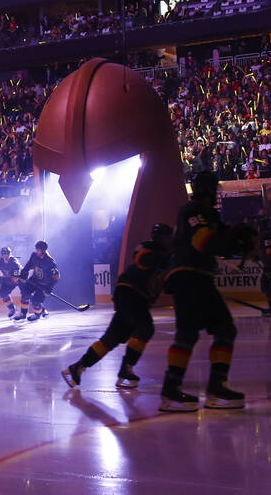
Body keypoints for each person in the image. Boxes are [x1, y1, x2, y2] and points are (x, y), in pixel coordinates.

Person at [159, 172, 244, 412]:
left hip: (194, 276)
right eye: (214, 188)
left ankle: (175, 390)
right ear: (208, 189)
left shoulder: (205, 213)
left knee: (195, 332)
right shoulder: (195, 210)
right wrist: (234, 242)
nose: (216, 192)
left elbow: (217, 238)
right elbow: (203, 241)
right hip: (189, 275)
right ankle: (205, 389)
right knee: (218, 329)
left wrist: (234, 238)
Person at [62, 223, 173, 389]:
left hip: (131, 297)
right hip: (131, 295)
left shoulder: (166, 257)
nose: (164, 240)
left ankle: (78, 367)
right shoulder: (149, 249)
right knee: (145, 328)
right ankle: (126, 368)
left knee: (111, 339)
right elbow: (141, 256)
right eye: (164, 236)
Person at [15, 240, 60, 322]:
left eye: (38, 250)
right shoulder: (34, 256)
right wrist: (24, 273)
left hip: (44, 285)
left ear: (43, 250)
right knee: (25, 294)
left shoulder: (50, 262)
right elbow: (28, 265)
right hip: (34, 280)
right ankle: (23, 314)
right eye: (36, 249)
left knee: (35, 301)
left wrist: (50, 287)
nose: (37, 251)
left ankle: (37, 315)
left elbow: (56, 277)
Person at [0, 245, 23, 319]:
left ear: (10, 254)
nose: (6, 256)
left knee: (27, 294)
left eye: (7, 254)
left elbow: (16, 278)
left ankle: (41, 310)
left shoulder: (15, 263)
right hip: (9, 280)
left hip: (20, 280)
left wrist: (1, 280)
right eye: (4, 254)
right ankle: (12, 309)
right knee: (3, 293)